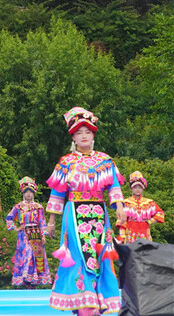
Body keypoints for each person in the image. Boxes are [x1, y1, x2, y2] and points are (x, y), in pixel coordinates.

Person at [46, 107, 125, 315]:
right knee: (79, 257)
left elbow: (114, 186)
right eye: (79, 132)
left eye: (88, 132)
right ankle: (84, 303)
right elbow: (57, 193)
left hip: (99, 213)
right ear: (73, 136)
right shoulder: (66, 162)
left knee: (101, 257)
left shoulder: (105, 160)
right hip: (74, 214)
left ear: (93, 135)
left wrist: (120, 207)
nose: (84, 136)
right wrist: (51, 221)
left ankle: (99, 301)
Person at [5, 177, 52, 288]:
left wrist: (44, 235)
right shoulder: (19, 206)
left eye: (30, 192)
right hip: (24, 234)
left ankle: (34, 280)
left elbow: (42, 221)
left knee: (36, 256)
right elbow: (9, 217)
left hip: (36, 233)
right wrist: (15, 228)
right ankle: (25, 279)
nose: (28, 194)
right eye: (26, 192)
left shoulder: (38, 207)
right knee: (26, 254)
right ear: (23, 193)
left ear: (34, 193)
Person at [117, 171, 164, 244]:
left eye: (140, 187)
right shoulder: (125, 203)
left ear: (143, 188)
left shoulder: (149, 203)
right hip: (130, 235)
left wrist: (150, 221)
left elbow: (160, 213)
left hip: (145, 234)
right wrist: (122, 236)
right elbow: (121, 221)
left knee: (145, 253)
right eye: (135, 187)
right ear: (131, 188)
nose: (138, 189)